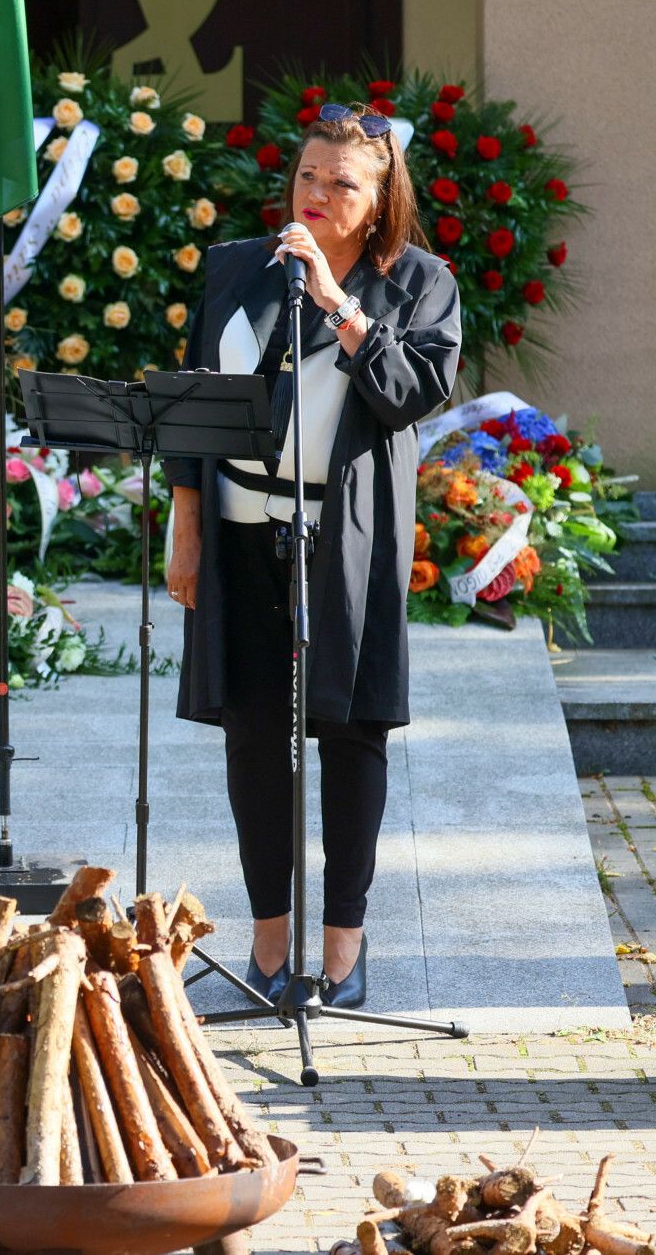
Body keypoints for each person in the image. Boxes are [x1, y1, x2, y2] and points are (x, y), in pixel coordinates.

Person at [163, 103, 462, 1010]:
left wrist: (342, 310)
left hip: (348, 544)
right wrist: (186, 523)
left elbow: (417, 391)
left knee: (350, 731)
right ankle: (265, 950)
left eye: (344, 183)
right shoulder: (237, 270)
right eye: (308, 176)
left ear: (380, 201)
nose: (320, 193)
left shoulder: (418, 281)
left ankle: (342, 951)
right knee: (256, 735)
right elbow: (195, 402)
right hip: (243, 534)